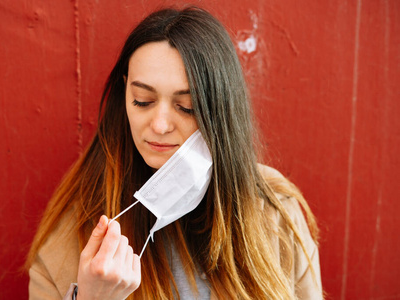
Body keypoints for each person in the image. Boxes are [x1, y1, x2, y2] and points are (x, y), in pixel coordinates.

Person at [26, 6, 322, 300]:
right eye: (143, 100)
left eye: (186, 106)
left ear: (219, 111)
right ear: (124, 93)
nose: (160, 124)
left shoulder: (274, 210)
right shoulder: (75, 231)